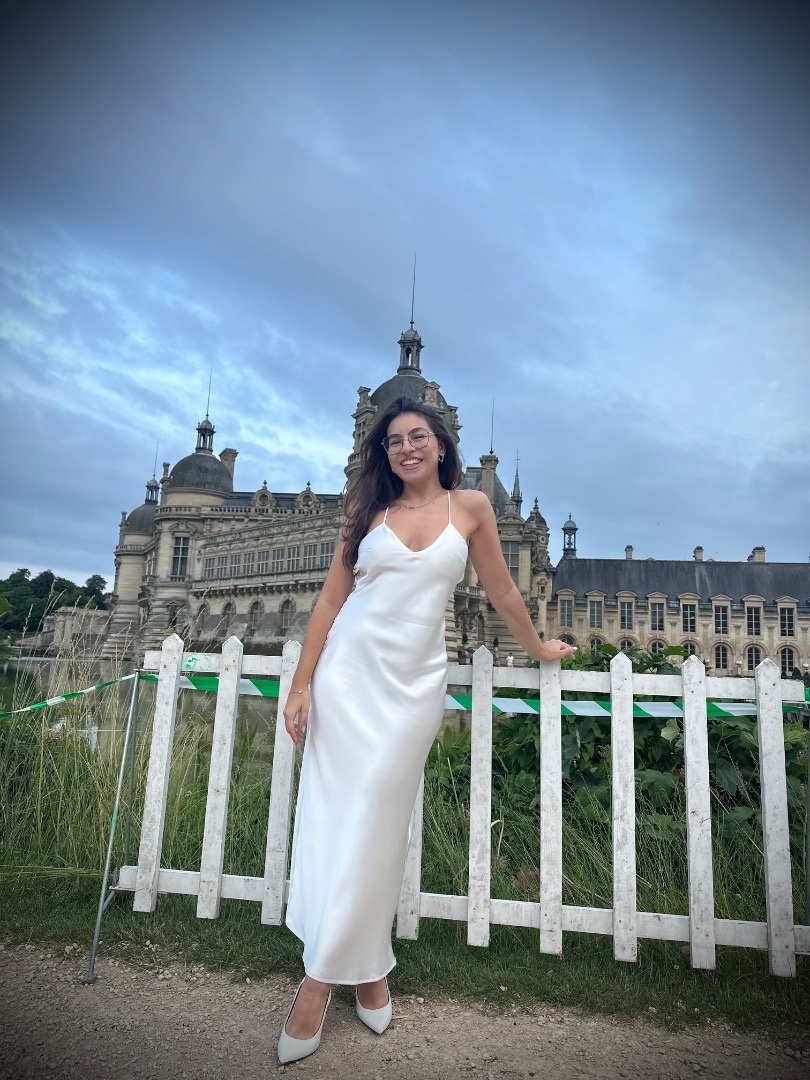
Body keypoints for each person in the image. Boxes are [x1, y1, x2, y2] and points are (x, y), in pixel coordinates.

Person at [278, 396, 576, 1064]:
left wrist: (535, 646)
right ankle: (353, 975)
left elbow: (503, 590)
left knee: (378, 825)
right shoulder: (366, 513)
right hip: (348, 678)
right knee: (339, 823)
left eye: (418, 436)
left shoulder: (470, 507)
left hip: (412, 688)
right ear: (382, 453)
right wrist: (300, 685)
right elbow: (331, 600)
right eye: (393, 440)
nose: (406, 447)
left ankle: (330, 976)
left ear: (441, 445)